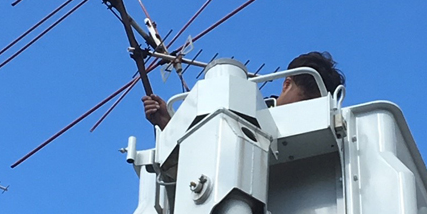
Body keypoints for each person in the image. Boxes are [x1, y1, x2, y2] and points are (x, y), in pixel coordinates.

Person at [142, 51, 345, 130]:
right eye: (304, 100)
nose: (306, 110)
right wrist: (168, 124)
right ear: (286, 84)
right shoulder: (246, 112)